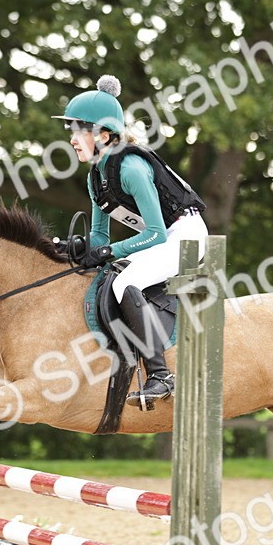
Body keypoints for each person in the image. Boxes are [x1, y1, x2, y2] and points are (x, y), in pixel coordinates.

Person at [53, 75, 209, 409]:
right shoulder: (96, 175)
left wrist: (108, 252)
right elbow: (100, 237)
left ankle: (161, 375)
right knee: (108, 277)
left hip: (185, 237)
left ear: (103, 135)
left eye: (78, 131)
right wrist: (75, 248)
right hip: (163, 239)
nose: (72, 140)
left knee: (126, 281)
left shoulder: (131, 168)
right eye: (71, 132)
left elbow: (154, 233)